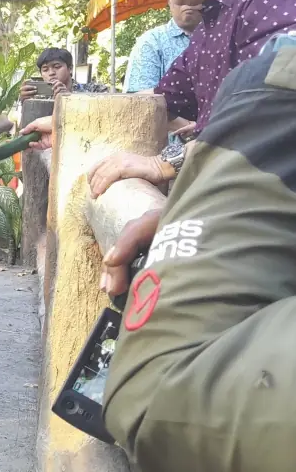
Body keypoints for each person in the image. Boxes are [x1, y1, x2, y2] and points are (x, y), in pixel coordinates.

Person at [93, 41, 296, 472]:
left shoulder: (269, 20)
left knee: (147, 393)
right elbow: (153, 102)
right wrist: (202, 205)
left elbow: (153, 399)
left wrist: (194, 189)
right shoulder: (182, 37)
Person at [85, 0, 296, 199]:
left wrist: (162, 164)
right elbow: (162, 98)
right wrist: (74, 117)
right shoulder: (212, 19)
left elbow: (270, 119)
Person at [123, 0, 201, 93]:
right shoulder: (151, 42)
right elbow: (139, 101)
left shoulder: (220, 37)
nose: (188, 1)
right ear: (170, 1)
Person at [18, 48, 108, 103]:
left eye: (57, 67)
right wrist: (25, 102)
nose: (51, 73)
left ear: (70, 69)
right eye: (45, 70)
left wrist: (69, 99)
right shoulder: (38, 97)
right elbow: (25, 128)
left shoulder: (95, 90)